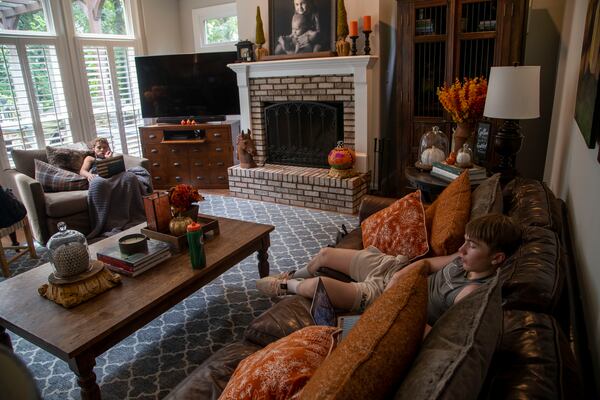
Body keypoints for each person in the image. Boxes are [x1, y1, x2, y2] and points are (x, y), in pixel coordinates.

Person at [256, 213, 521, 326]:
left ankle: (283, 287)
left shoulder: (471, 294)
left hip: (386, 294)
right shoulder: (464, 260)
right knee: (325, 254)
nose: (461, 249)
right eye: (465, 241)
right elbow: (428, 263)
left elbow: (439, 333)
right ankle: (292, 275)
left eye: (471, 246)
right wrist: (400, 273)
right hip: (394, 269)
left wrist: (392, 301)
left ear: (497, 258)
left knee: (319, 286)